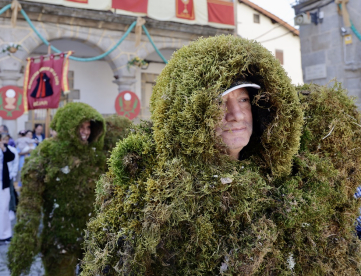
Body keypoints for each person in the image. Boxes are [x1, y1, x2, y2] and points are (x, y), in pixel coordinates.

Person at [81, 36, 361, 275]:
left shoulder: (281, 186)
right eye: (220, 101)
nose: (236, 114)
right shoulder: (154, 197)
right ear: (189, 113)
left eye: (243, 100)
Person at [7, 103, 131, 276]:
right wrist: (25, 237)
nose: (85, 132)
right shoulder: (48, 153)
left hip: (95, 236)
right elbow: (29, 202)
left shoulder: (97, 154)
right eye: (80, 126)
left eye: (89, 127)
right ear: (67, 126)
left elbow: (123, 131)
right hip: (60, 239)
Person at [1, 134, 19, 221]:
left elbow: (15, 162)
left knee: (10, 192)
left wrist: (13, 173)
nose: (5, 141)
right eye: (3, 139)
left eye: (6, 139)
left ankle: (11, 209)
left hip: (9, 174)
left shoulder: (12, 150)